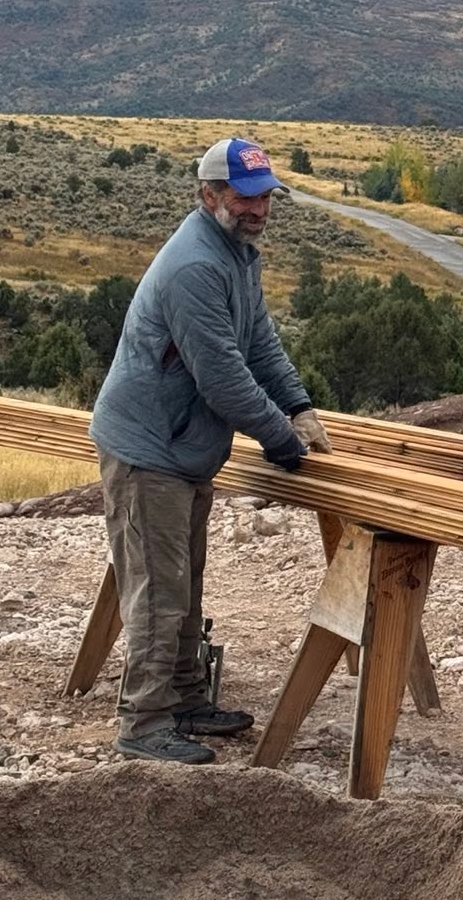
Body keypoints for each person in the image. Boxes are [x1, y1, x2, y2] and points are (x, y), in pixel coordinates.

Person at [89, 136, 333, 765]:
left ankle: (187, 700)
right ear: (209, 194)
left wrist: (299, 405)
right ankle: (143, 724)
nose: (258, 209)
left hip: (182, 447)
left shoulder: (236, 253)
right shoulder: (197, 265)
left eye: (265, 197)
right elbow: (222, 376)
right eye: (245, 197)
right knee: (158, 591)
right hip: (150, 451)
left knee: (184, 584)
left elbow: (258, 343)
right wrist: (282, 441)